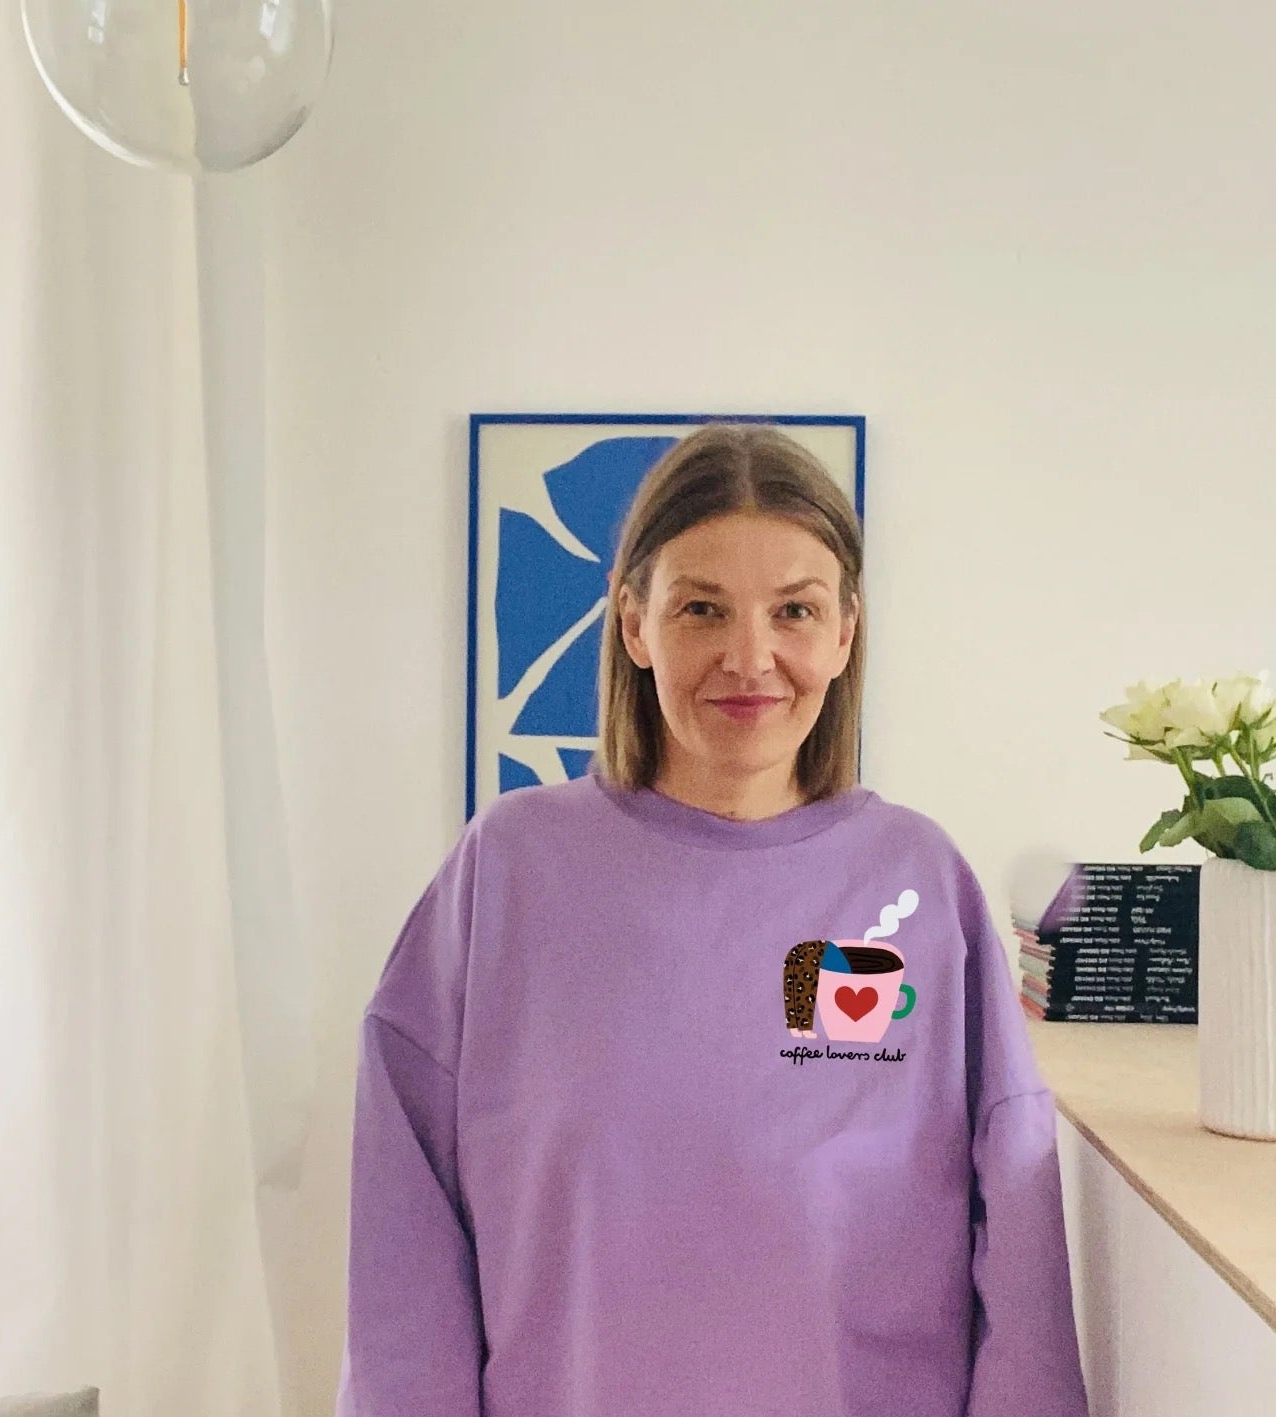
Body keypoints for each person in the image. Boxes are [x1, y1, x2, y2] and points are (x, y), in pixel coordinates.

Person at [335, 423, 1089, 1416]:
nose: (750, 656)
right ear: (633, 625)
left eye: (794, 610)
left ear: (845, 632)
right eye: (701, 608)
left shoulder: (917, 883)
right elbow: (404, 1244)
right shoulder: (509, 870)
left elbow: (1021, 1249)